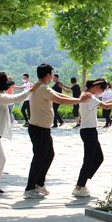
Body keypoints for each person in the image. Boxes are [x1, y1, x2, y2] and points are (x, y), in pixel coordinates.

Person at [24, 64, 88, 198]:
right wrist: (79, 100)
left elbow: (59, 94)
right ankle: (30, 188)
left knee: (48, 155)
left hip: (43, 129)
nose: (52, 76)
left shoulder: (41, 87)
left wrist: (78, 99)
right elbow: (60, 99)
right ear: (48, 75)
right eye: (51, 74)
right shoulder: (42, 88)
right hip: (38, 129)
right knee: (39, 157)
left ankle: (39, 183)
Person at [73, 78, 112, 197]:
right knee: (89, 160)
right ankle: (79, 186)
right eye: (102, 90)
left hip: (90, 130)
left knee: (98, 158)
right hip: (88, 131)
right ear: (97, 87)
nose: (101, 93)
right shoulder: (89, 96)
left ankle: (82, 182)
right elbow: (106, 106)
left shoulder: (88, 95)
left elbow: (106, 104)